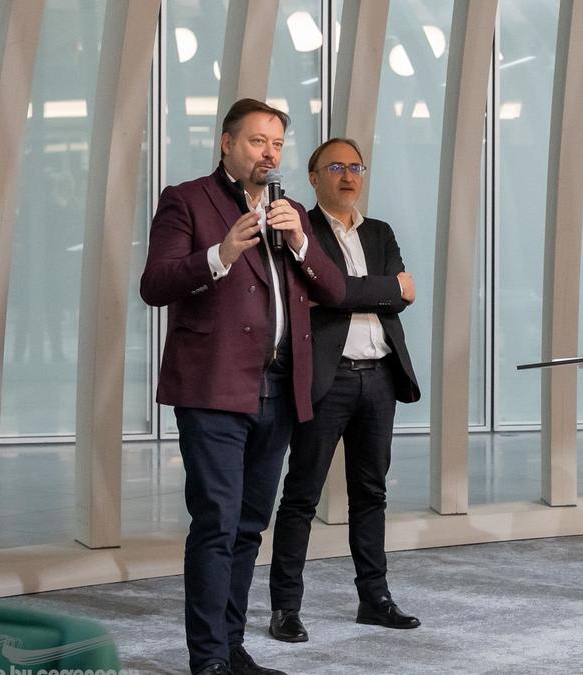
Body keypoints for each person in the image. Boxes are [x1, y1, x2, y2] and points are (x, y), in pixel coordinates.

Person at [140, 99, 345, 675]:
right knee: (217, 523)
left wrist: (301, 243)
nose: (269, 154)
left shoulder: (290, 211)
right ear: (227, 143)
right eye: (258, 142)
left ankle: (232, 649)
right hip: (213, 390)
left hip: (278, 389)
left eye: (277, 144)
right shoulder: (186, 200)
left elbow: (334, 289)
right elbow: (155, 284)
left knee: (251, 526)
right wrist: (221, 253)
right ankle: (208, 659)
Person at [267, 138, 422, 643]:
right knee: (301, 496)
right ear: (313, 178)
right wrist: (382, 289)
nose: (348, 175)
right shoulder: (300, 229)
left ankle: (374, 599)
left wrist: (346, 292)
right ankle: (285, 608)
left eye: (356, 166)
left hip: (379, 377)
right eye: (336, 166)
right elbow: (314, 293)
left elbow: (404, 295)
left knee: (371, 493)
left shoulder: (380, 232)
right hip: (326, 379)